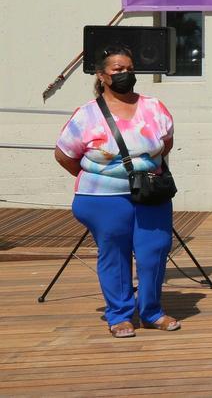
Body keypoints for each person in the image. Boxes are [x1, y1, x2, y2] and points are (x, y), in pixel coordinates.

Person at [54, 45, 179, 338]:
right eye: (118, 70)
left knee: (154, 251)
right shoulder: (86, 115)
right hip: (102, 199)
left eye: (129, 69)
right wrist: (102, 178)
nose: (125, 74)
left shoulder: (154, 106)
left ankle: (151, 312)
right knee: (115, 254)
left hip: (150, 194)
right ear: (102, 75)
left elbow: (166, 144)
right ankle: (119, 314)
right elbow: (64, 155)